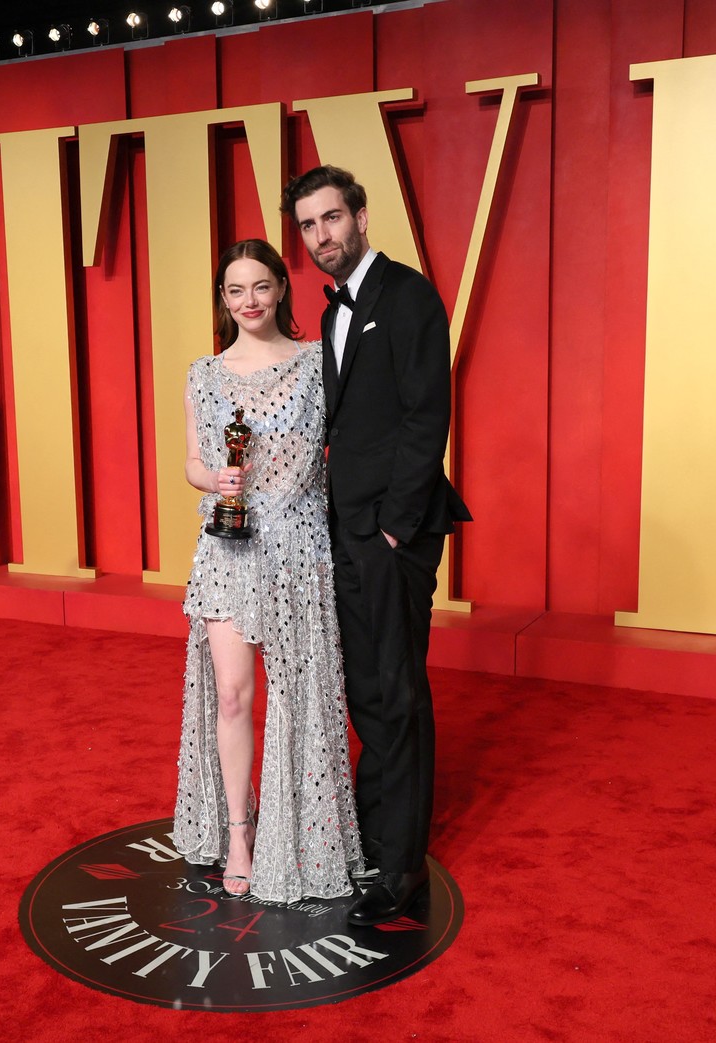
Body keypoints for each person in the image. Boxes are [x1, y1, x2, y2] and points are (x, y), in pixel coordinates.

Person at [282, 166, 471, 927]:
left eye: (331, 218)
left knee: (394, 690)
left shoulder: (409, 294)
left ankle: (400, 868)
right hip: (343, 531)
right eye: (307, 226)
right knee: (364, 688)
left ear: (359, 215)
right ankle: (370, 835)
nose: (321, 235)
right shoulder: (326, 315)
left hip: (392, 533)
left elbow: (428, 414)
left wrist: (393, 526)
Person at [171, 238, 364, 904]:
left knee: (297, 697)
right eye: (234, 290)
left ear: (282, 288)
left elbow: (350, 446)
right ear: (222, 301)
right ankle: (242, 832)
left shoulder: (317, 364)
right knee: (231, 694)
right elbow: (194, 464)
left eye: (259, 286)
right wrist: (212, 475)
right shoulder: (203, 372)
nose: (247, 301)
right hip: (228, 545)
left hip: (299, 546)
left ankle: (301, 834)